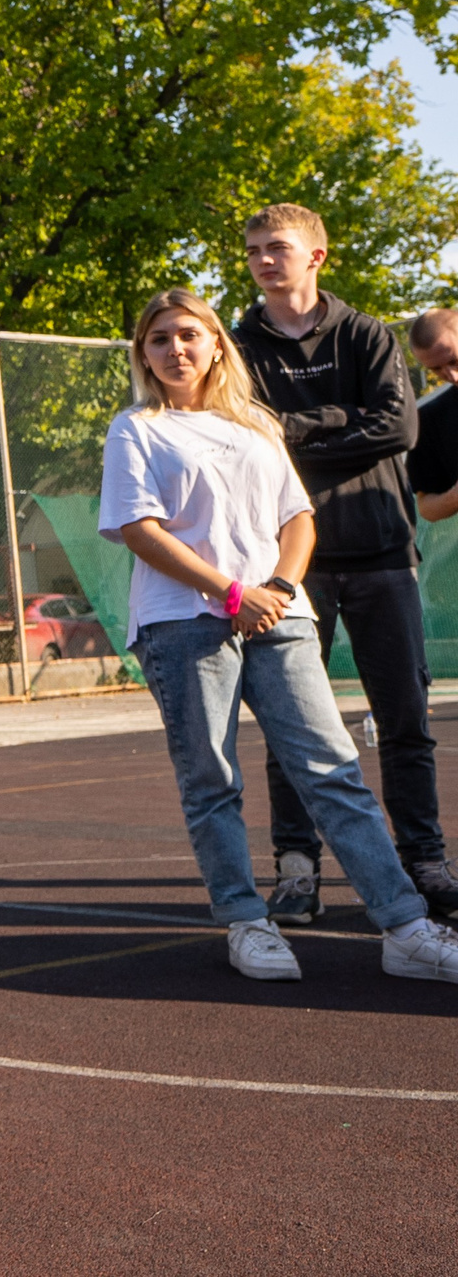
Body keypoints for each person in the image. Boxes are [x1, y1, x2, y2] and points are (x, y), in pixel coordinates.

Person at [100, 288, 458, 985]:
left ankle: (405, 926)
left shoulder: (255, 423)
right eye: (159, 339)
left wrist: (280, 591)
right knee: (213, 779)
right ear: (144, 353)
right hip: (183, 623)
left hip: (279, 617)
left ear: (215, 345)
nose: (176, 349)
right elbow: (140, 529)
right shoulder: (136, 429)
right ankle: (246, 919)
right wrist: (230, 592)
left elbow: (298, 518)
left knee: (333, 769)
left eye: (189, 335)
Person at [232, 205, 454, 923]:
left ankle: (425, 861)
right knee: (292, 728)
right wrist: (342, 422)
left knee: (405, 720)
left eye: (280, 248)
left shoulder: (366, 334)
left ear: (317, 256)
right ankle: (297, 869)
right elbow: (246, 436)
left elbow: (399, 426)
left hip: (383, 550)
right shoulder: (238, 346)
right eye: (255, 250)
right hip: (287, 565)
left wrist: (296, 430)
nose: (266, 260)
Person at [403, 308, 458, 524]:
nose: (451, 375)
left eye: (454, 360)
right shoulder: (430, 418)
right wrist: (454, 497)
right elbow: (426, 507)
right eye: (436, 369)